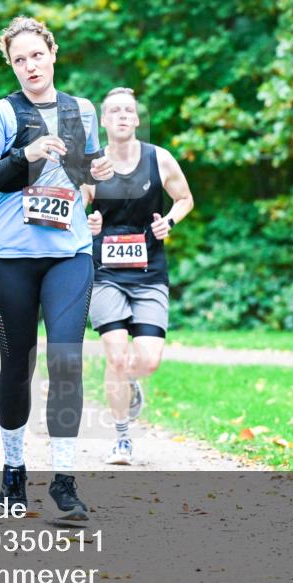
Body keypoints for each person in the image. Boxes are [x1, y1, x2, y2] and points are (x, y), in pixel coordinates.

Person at [0, 16, 113, 524]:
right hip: (10, 257)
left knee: (66, 361)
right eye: (18, 59)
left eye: (36, 55)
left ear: (53, 53)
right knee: (18, 365)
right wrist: (23, 154)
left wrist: (98, 184)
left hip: (69, 253)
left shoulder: (81, 110)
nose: (29, 65)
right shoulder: (2, 111)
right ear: (11, 65)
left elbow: (86, 175)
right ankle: (13, 472)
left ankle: (66, 483)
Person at [83, 87, 194, 466]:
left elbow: (184, 198)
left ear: (137, 118)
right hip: (105, 274)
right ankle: (122, 439)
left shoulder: (158, 159)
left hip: (149, 273)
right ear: (104, 120)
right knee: (115, 356)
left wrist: (169, 222)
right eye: (114, 111)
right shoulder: (93, 164)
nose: (122, 117)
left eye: (128, 111)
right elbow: (75, 214)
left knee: (148, 361)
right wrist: (89, 223)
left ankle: (128, 383)